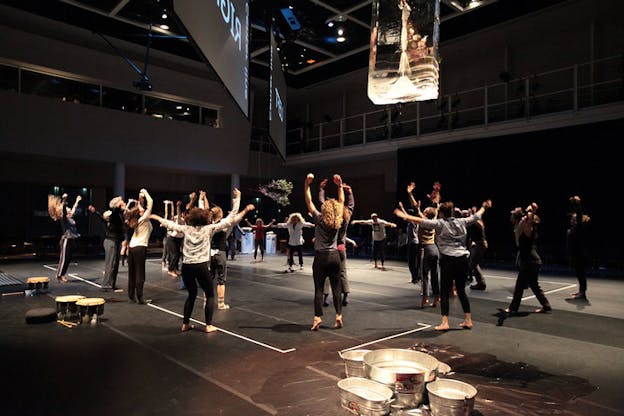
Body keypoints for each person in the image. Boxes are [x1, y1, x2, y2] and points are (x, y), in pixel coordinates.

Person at [150, 189, 254, 333]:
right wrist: (238, 201)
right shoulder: (209, 229)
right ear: (204, 218)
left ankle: (185, 324)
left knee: (191, 295)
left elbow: (170, 225)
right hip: (201, 266)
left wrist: (156, 217)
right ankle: (208, 325)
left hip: (186, 267)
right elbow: (231, 220)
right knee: (210, 294)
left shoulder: (185, 228)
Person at [395, 198, 492, 331]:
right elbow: (476, 217)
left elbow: (422, 221)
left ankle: (445, 322)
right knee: (462, 291)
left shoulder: (440, 223)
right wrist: (484, 207)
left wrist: (404, 216)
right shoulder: (462, 221)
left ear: (442, 214)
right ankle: (468, 320)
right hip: (463, 259)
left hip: (448, 260)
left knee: (445, 292)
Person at [304, 173, 345, 331]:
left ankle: (317, 318)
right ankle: (339, 316)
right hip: (335, 256)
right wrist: (339, 186)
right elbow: (341, 202)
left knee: (319, 289)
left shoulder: (319, 219)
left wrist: (307, 185)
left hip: (321, 257)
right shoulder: (338, 220)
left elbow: (309, 201)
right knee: (336, 288)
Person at [505, 203, 552, 315]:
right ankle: (546, 305)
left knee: (520, 285)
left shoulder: (526, 228)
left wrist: (531, 212)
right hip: (532, 260)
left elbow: (528, 221)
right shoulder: (520, 227)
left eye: (512, 216)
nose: (510, 218)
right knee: (534, 285)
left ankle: (513, 308)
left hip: (530, 261)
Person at [320, 180, 355, 307]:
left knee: (326, 274)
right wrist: (349, 193)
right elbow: (350, 205)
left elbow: (322, 204)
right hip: (341, 248)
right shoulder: (345, 217)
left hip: (330, 249)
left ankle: (325, 298)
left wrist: (321, 190)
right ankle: (345, 296)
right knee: (342, 272)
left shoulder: (329, 219)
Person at [88, 196, 126, 292]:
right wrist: (118, 203)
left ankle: (111, 284)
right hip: (111, 242)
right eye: (121, 203)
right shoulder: (113, 217)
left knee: (115, 264)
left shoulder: (116, 217)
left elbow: (101, 216)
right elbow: (112, 212)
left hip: (115, 241)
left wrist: (95, 211)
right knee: (110, 264)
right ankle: (106, 285)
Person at [125, 188, 153, 304]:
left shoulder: (135, 220)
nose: (143, 208)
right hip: (140, 247)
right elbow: (150, 202)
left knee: (132, 272)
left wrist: (139, 200)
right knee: (140, 273)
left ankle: (131, 296)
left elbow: (135, 208)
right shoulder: (144, 218)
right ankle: (140, 297)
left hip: (132, 247)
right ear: (140, 212)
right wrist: (145, 192)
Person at [48, 193, 82, 282]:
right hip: (66, 239)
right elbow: (63, 209)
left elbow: (74, 209)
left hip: (71, 240)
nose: (70, 209)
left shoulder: (70, 217)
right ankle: (59, 275)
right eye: (68, 208)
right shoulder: (64, 219)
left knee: (68, 258)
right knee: (64, 258)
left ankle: (62, 274)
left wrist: (77, 201)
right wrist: (64, 201)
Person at [567, 195, 590, 299]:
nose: (571, 219)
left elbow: (579, 215)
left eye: (573, 218)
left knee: (581, 273)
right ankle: (581, 291)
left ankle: (582, 293)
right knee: (578, 273)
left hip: (580, 254)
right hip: (576, 254)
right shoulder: (573, 228)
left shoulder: (579, 228)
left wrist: (578, 204)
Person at [467, 205, 488, 290]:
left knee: (473, 264)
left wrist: (474, 214)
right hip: (478, 244)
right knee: (474, 264)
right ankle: (480, 282)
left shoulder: (478, 222)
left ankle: (481, 283)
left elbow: (481, 225)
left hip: (481, 244)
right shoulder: (473, 223)